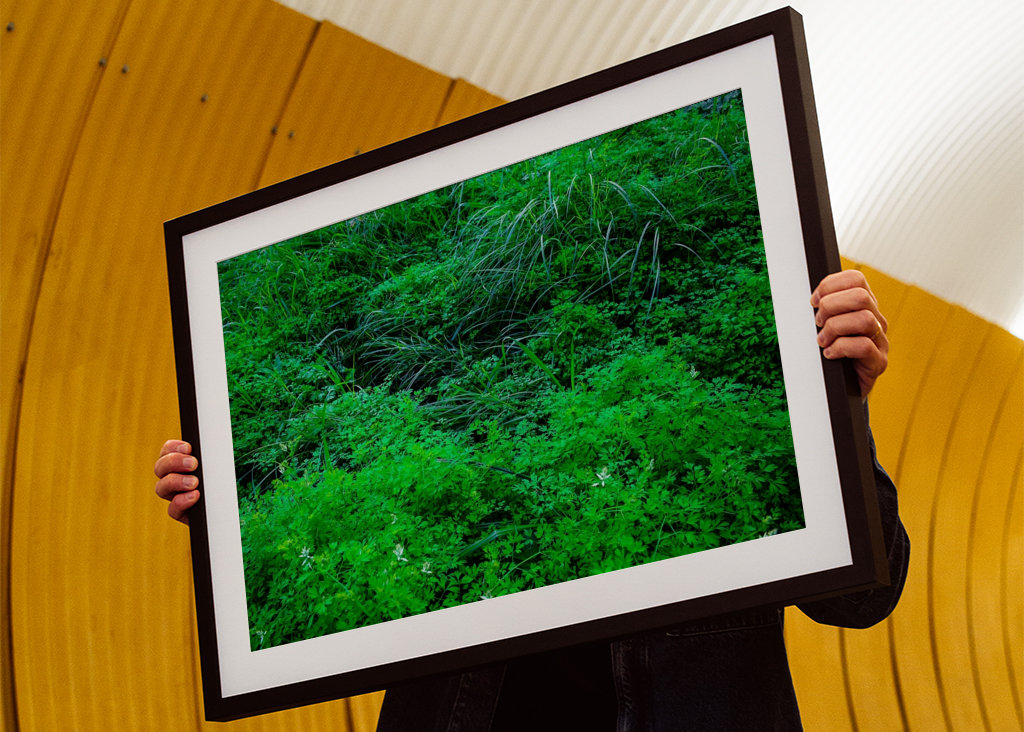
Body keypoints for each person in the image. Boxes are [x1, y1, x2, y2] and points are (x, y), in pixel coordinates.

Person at [155, 269, 909, 730]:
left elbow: (865, 597)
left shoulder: (744, 413)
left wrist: (839, 405)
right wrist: (229, 514)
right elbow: (331, 579)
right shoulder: (446, 473)